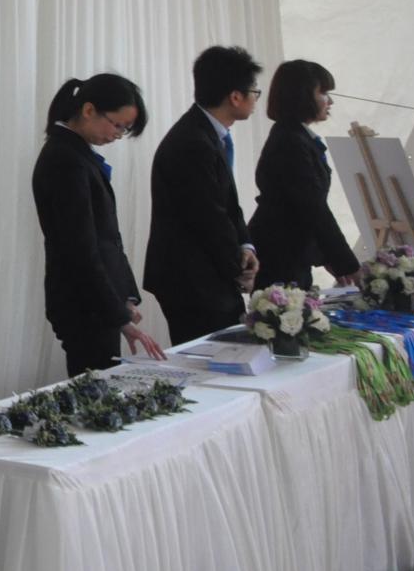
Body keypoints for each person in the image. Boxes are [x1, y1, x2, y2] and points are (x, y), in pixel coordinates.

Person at [33, 73, 165, 373]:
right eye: (117, 125)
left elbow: (108, 238)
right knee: (96, 386)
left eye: (125, 129)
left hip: (97, 301)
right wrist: (117, 314)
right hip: (84, 302)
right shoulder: (65, 160)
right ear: (89, 110)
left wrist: (125, 297)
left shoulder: (77, 154)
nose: (118, 135)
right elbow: (80, 249)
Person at [143, 45, 261, 346]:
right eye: (254, 92)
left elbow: (229, 203)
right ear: (235, 96)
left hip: (207, 273)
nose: (255, 100)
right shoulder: (192, 142)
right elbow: (208, 217)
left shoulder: (209, 134)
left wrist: (245, 246)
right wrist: (238, 269)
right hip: (192, 279)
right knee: (211, 361)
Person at [249, 59, 361, 291]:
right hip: (280, 255)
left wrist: (327, 257)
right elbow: (313, 207)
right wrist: (346, 263)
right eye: (323, 93)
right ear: (302, 95)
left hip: (291, 252)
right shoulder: (290, 142)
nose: (330, 101)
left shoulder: (296, 136)